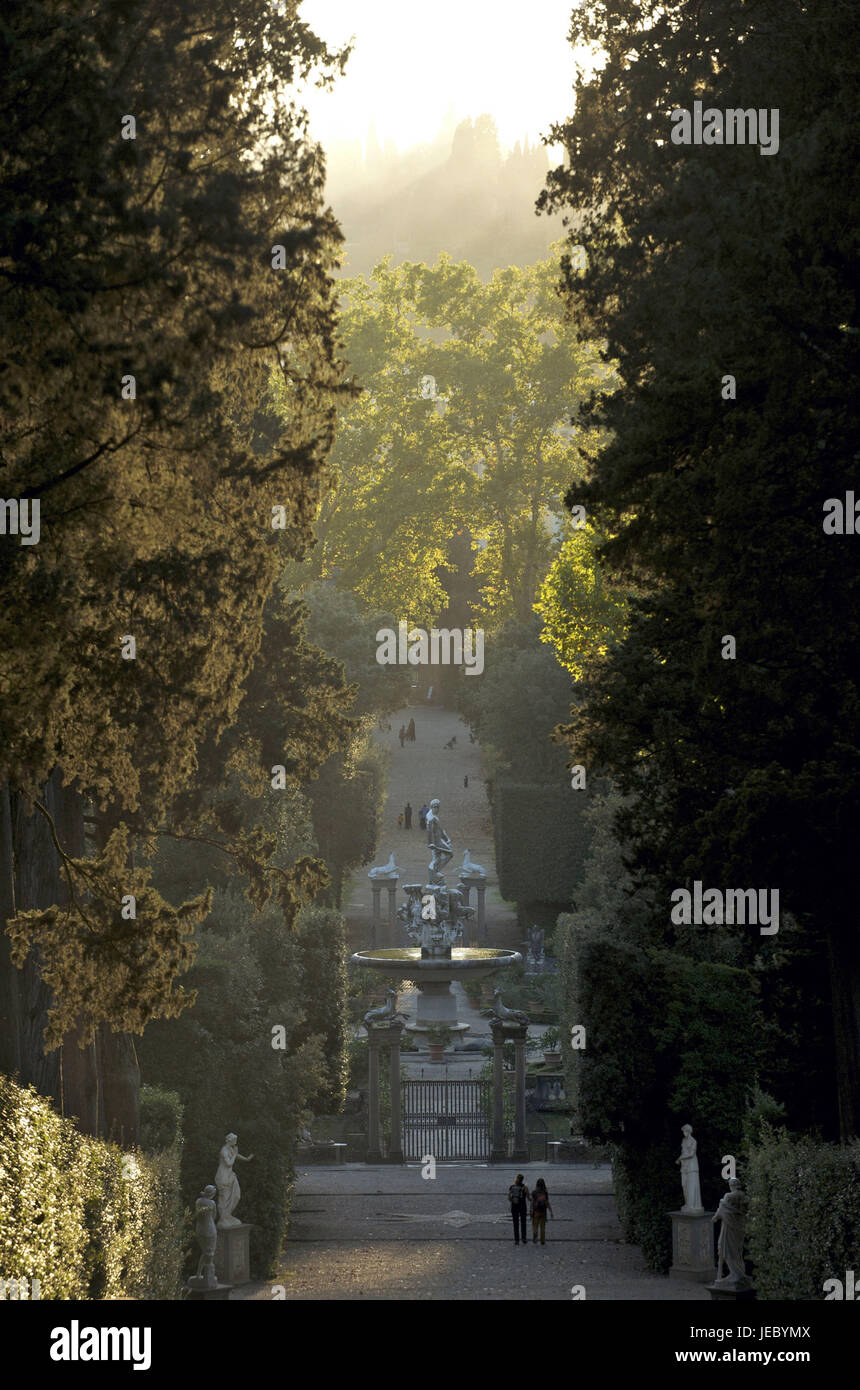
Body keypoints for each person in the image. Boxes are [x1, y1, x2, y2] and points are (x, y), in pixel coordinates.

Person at [508, 1174, 530, 1245]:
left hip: (514, 1207)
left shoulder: (512, 1187)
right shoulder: (525, 1187)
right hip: (523, 1207)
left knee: (515, 1223)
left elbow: (509, 1198)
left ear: (516, 1179)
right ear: (522, 1180)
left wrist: (513, 1200)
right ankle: (524, 1238)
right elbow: (529, 1198)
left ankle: (516, 1240)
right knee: (523, 1223)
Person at [531, 1178, 553, 1245]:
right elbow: (547, 1202)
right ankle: (542, 1241)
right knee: (543, 1227)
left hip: (536, 1211)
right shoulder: (545, 1192)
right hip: (543, 1211)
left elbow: (532, 1202)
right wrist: (551, 1211)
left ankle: (535, 1235)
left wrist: (531, 1210)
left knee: (535, 1225)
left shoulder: (534, 1192)